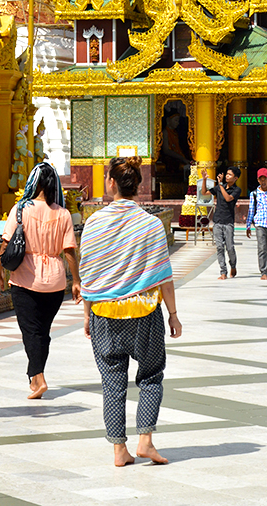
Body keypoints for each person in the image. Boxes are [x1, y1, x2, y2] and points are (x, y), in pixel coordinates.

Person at [80, 154, 182, 467]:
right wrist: (173, 314)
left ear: (111, 183)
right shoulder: (151, 224)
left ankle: (119, 450)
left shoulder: (94, 222)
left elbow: (88, 273)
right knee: (151, 377)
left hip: (104, 312)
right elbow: (163, 275)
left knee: (112, 383)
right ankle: (145, 441)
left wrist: (86, 315)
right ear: (137, 185)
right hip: (144, 312)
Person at [0, 161, 81, 399]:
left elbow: (6, 244)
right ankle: (35, 377)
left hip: (25, 278)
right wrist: (76, 281)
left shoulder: (20, 209)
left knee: (30, 331)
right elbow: (69, 251)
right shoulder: (63, 214)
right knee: (42, 331)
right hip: (55, 281)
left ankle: (38, 376)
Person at [200, 166, 242, 280]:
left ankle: (233, 265)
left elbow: (228, 198)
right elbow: (204, 193)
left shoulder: (236, 190)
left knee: (230, 247)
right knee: (219, 247)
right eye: (227, 174)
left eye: (230, 175)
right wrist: (204, 180)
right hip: (217, 220)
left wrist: (220, 185)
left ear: (235, 178)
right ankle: (223, 271)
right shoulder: (219, 187)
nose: (227, 176)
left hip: (228, 222)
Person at [246, 168, 267, 280]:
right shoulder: (254, 194)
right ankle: (263, 271)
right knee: (262, 248)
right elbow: (251, 210)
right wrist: (248, 225)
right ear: (258, 180)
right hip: (260, 224)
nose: (263, 181)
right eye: (261, 179)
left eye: (265, 179)